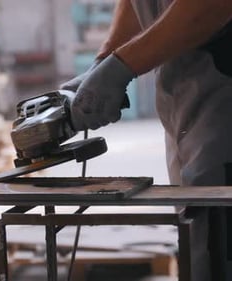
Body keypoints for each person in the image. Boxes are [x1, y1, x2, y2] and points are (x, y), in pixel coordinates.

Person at [60, 1, 232, 280]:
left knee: (219, 242)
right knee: (200, 241)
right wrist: (104, 59)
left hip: (224, 94)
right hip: (186, 101)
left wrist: (122, 65)